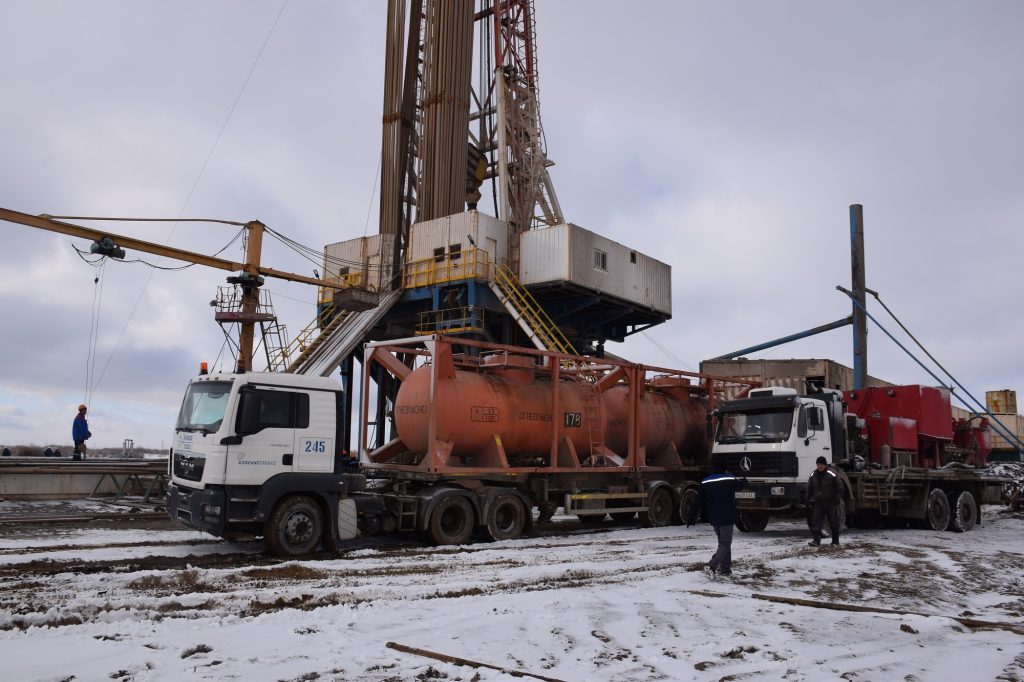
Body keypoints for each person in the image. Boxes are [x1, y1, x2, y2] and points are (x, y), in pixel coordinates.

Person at [687, 467, 750, 577]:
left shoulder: (706, 481)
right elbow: (742, 485)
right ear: (725, 469)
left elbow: (698, 501)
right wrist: (745, 479)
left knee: (724, 544)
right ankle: (712, 565)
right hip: (727, 517)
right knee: (725, 544)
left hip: (714, 518)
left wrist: (692, 516)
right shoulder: (730, 479)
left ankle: (725, 569)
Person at [806, 455, 843, 546]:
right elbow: (809, 489)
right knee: (816, 520)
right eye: (818, 464)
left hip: (830, 501)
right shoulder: (813, 474)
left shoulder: (832, 474)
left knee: (833, 521)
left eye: (822, 464)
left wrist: (838, 497)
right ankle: (816, 540)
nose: (820, 466)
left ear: (825, 465)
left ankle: (835, 541)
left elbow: (840, 486)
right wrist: (807, 500)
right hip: (818, 502)